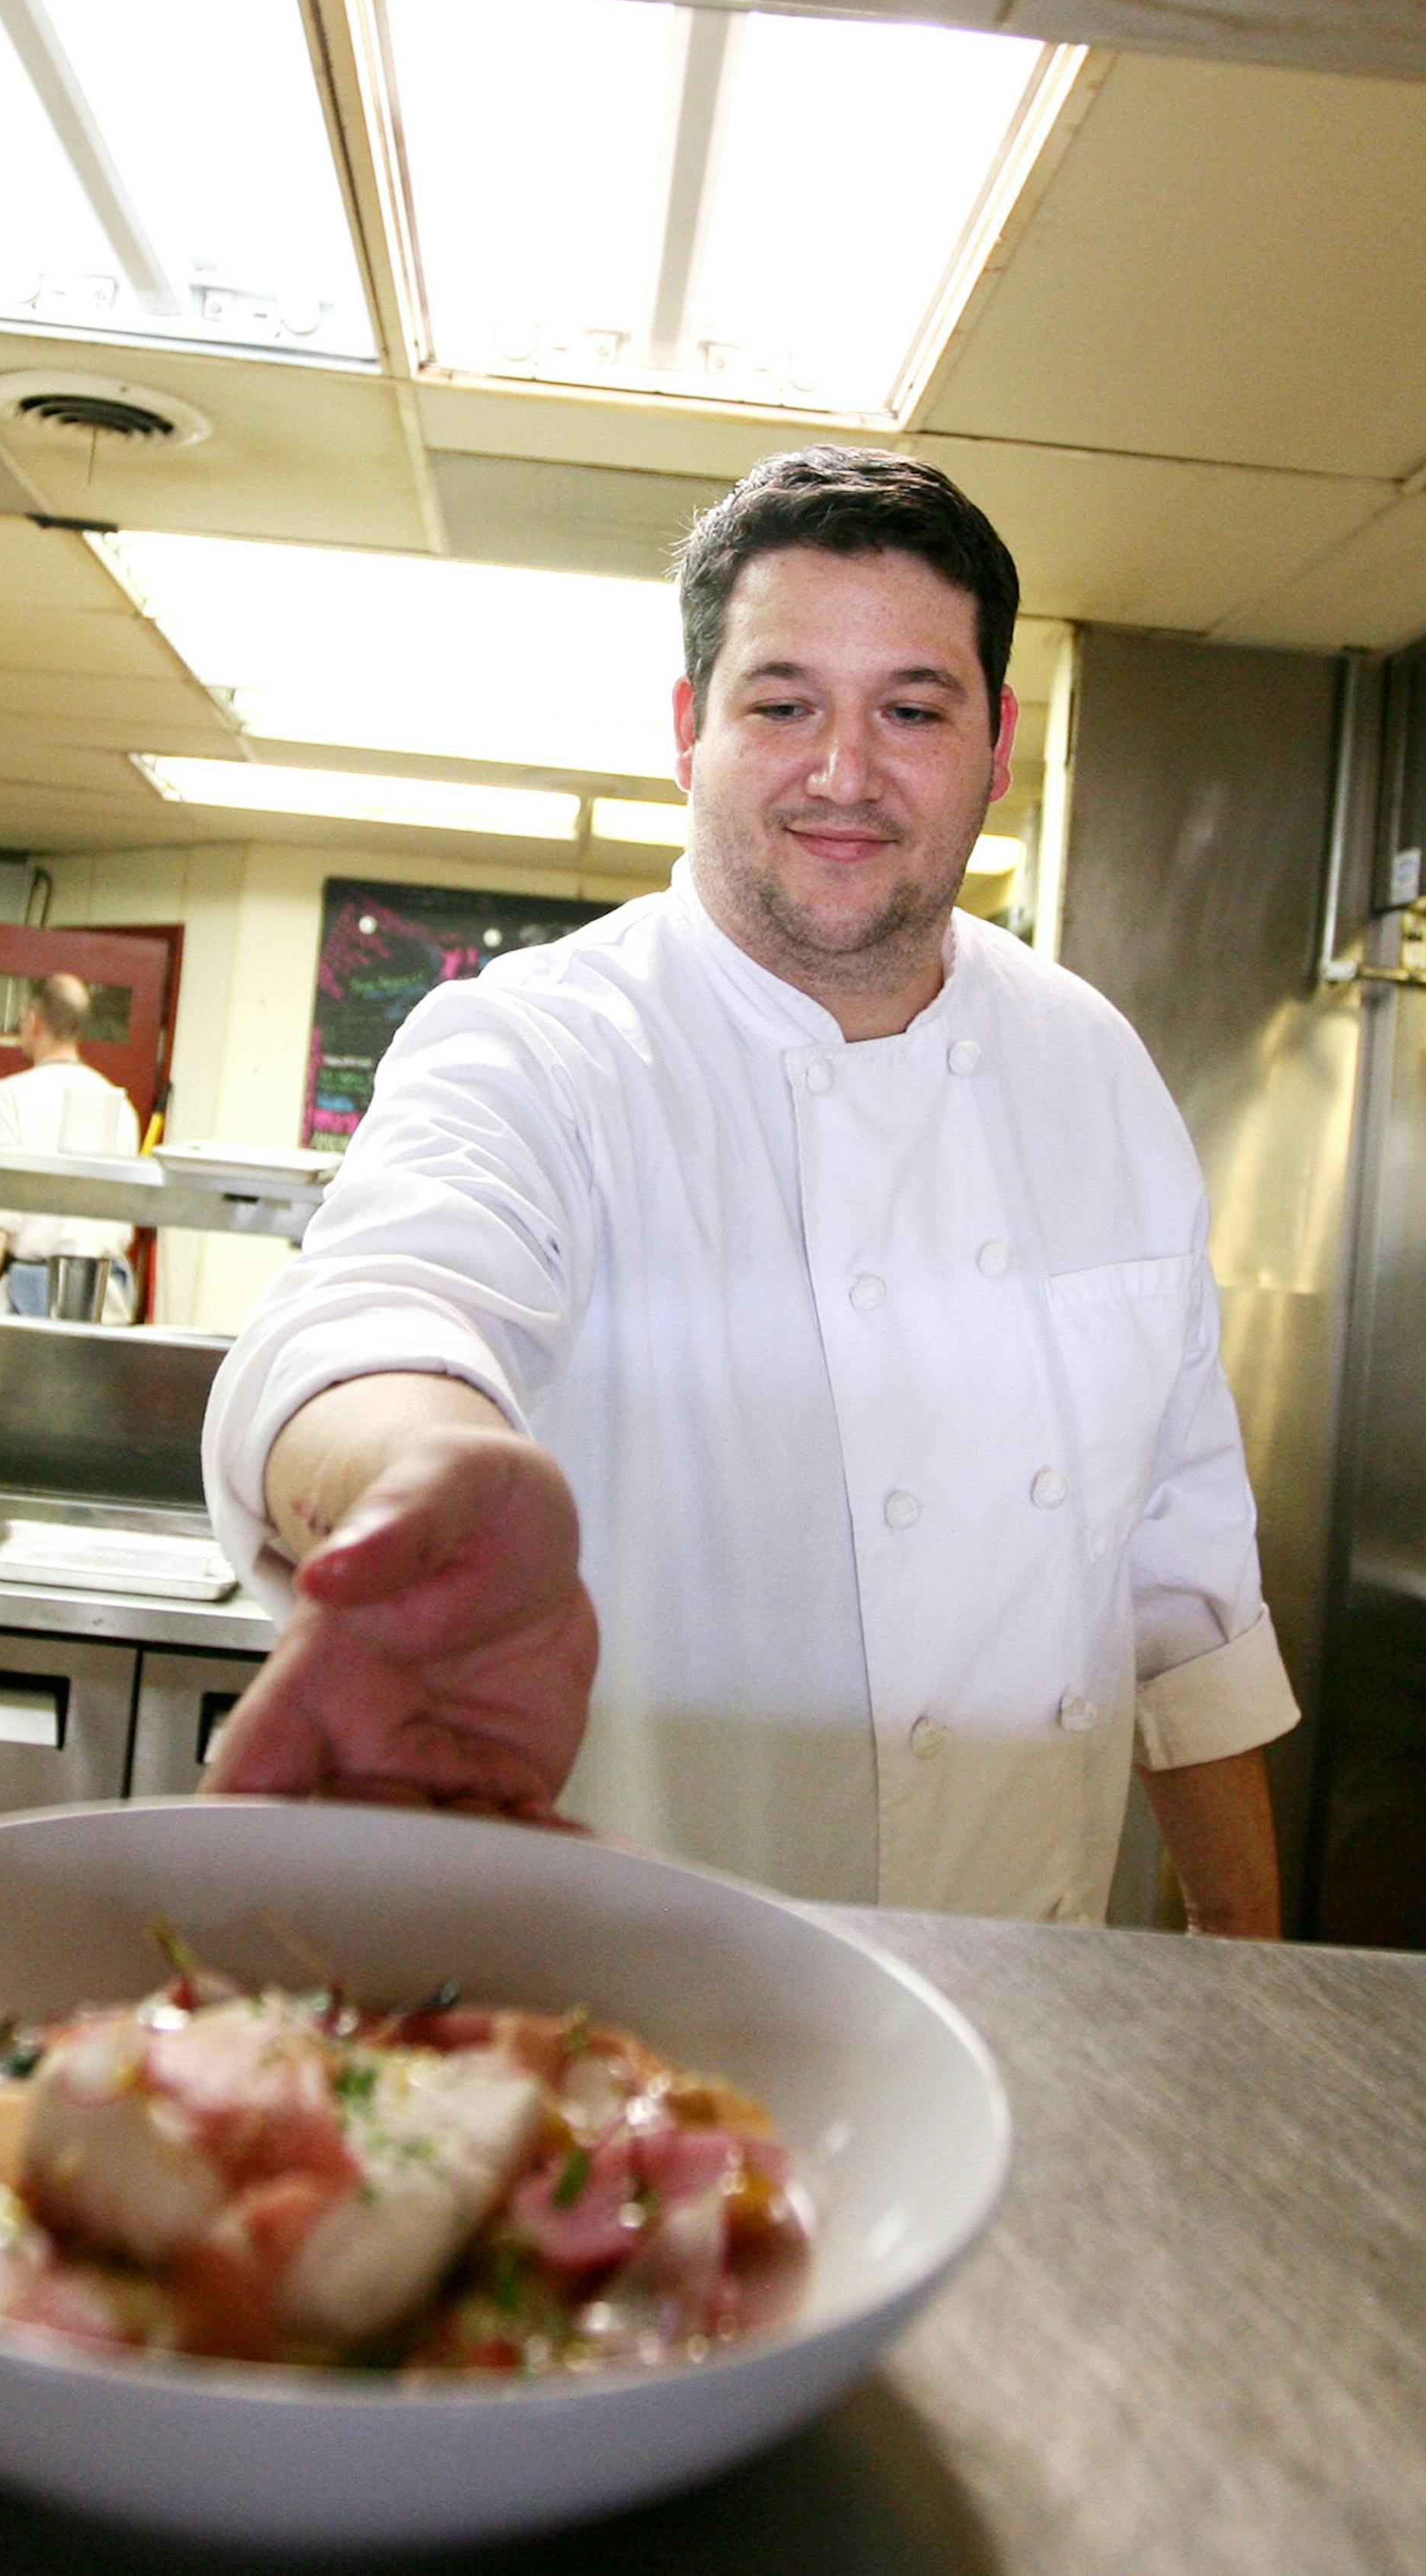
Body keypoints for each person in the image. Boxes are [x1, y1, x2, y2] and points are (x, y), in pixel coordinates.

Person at [201, 448, 1299, 1932]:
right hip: (642, 2024)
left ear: (995, 741)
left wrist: (1249, 1996)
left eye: (913, 710)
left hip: (1040, 2031)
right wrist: (429, 1484)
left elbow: (1187, 1602)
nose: (843, 772)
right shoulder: (542, 1043)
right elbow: (381, 1309)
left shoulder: (1095, 1069)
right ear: (688, 730)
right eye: (783, 704)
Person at [0, 973, 140, 1317]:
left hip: (34, 1290)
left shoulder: (7, 1096)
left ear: (33, 1020)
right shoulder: (119, 1104)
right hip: (106, 1293)